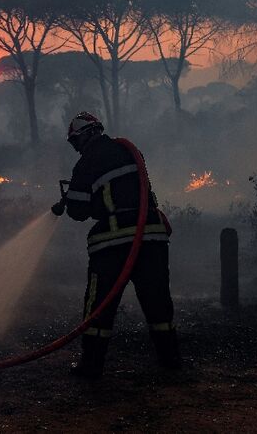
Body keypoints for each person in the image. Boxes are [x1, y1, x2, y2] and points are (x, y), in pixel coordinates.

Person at [52, 111, 180, 378]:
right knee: (157, 302)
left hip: (113, 243)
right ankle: (171, 361)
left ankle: (91, 366)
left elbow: (77, 211)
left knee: (99, 306)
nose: (76, 149)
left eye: (75, 142)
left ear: (85, 136)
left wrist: (70, 200)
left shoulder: (87, 163)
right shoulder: (129, 151)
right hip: (152, 236)